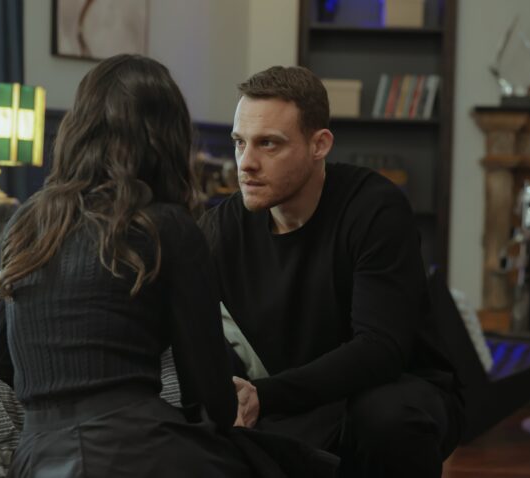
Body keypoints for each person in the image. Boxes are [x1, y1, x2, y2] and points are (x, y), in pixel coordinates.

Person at [0, 54, 256, 477]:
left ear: (78, 128)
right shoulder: (168, 227)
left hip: (37, 458)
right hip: (135, 449)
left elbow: (0, 363)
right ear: (166, 138)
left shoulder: (27, 222)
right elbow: (208, 398)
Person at [198, 66, 464, 477]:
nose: (246, 163)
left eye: (269, 143)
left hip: (394, 391)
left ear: (319, 144)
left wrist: (265, 395)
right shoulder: (222, 229)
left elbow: (379, 350)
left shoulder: (374, 209)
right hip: (295, 400)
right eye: (239, 142)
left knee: (385, 417)